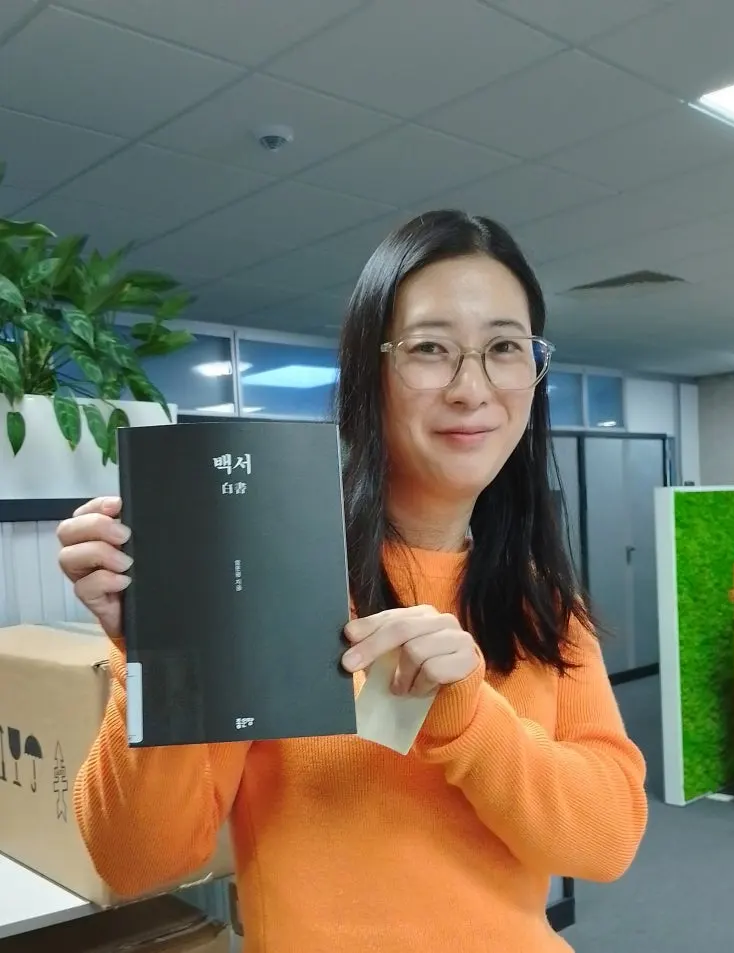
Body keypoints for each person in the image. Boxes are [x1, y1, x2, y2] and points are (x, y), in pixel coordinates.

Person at [56, 210, 647, 953]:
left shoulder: (542, 598)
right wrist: (152, 647)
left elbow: (608, 839)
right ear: (373, 372)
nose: (471, 388)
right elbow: (137, 859)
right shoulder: (271, 575)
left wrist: (472, 722)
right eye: (430, 348)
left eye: (504, 347)